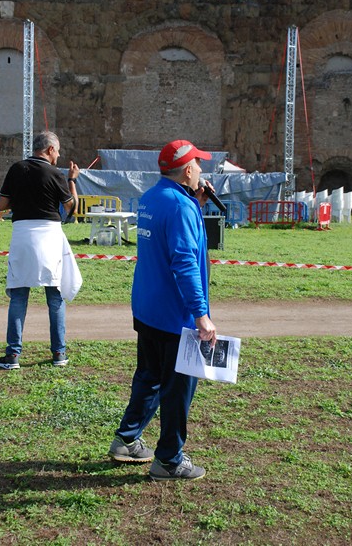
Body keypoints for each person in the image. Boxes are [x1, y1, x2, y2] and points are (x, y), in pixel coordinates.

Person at [109, 139, 217, 481]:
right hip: (175, 316)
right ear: (187, 170)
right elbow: (184, 261)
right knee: (178, 387)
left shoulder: (153, 197)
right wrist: (200, 314)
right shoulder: (181, 206)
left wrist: (195, 205)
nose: (202, 168)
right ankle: (169, 459)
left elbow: (170, 236)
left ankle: (126, 439)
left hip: (148, 307)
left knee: (150, 377)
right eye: (198, 163)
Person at [0, 130, 82, 370]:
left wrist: (20, 198)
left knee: (19, 296)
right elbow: (71, 209)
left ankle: (13, 355)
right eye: (58, 151)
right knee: (55, 297)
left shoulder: (16, 168)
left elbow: (2, 205)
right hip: (49, 237)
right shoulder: (55, 173)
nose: (59, 155)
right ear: (50, 150)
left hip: (22, 235)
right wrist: (72, 179)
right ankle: (59, 353)